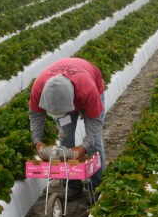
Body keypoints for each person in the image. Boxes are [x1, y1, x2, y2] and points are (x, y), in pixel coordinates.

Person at [28, 57, 106, 192]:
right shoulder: (39, 87)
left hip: (90, 85)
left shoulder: (87, 89)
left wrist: (83, 148)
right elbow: (35, 115)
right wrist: (37, 141)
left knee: (95, 143)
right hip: (70, 94)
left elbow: (95, 122)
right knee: (65, 140)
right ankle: (72, 185)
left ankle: (97, 185)